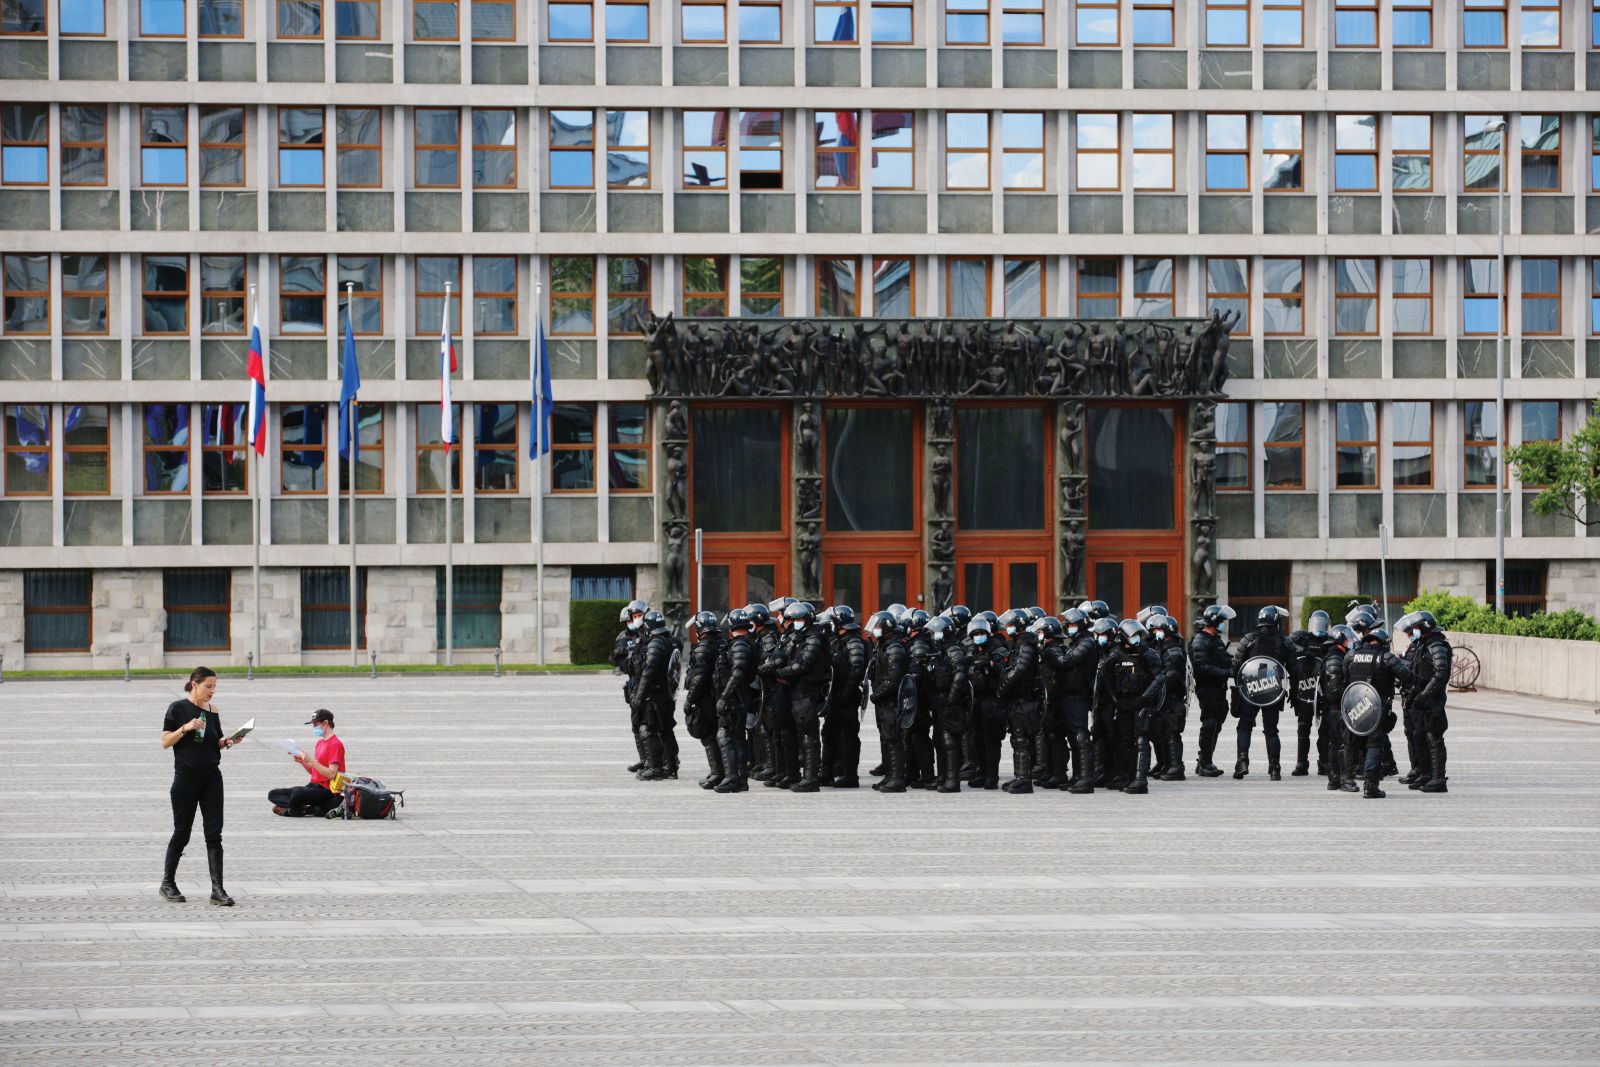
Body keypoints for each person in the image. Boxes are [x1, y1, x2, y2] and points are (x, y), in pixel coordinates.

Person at [159, 666, 240, 906]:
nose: (212, 691)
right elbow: (164, 741)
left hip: (212, 779)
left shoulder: (213, 711)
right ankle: (167, 883)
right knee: (182, 832)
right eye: (208, 686)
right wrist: (185, 728)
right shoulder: (178, 708)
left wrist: (228, 741)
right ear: (194, 684)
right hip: (186, 779)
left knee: (214, 835)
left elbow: (214, 742)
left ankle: (218, 889)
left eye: (215, 687)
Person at [1343, 626, 1414, 798]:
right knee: (1374, 745)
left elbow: (1345, 678)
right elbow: (1407, 676)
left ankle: (1346, 780)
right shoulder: (1386, 657)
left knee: (1349, 743)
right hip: (1377, 707)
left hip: (1354, 705)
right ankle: (1370, 786)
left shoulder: (1351, 655)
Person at [1230, 605, 1299, 780]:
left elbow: (1236, 667)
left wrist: (1241, 687)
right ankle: (1275, 768)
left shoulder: (1248, 639)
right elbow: (1295, 671)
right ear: (1276, 622)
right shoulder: (1285, 642)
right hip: (1273, 691)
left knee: (1245, 727)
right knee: (1271, 730)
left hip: (1250, 691)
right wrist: (1294, 691)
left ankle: (1242, 763)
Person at [775, 601, 829, 792]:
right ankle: (793, 774)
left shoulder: (814, 638)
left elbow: (803, 664)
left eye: (799, 619)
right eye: (793, 619)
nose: (795, 622)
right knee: (790, 732)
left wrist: (780, 672)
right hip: (794, 690)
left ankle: (810, 778)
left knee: (809, 734)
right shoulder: (797, 636)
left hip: (807, 690)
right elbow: (784, 656)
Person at [1398, 610, 1453, 794]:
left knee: (1434, 737)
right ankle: (1426, 774)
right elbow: (1418, 674)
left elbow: (1440, 673)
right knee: (1420, 736)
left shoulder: (1436, 645)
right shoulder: (1424, 644)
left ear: (1424, 627)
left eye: (1414, 628)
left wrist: (1426, 695)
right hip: (1422, 701)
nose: (1412, 632)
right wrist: (1414, 695)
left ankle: (1438, 779)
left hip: (1433, 701)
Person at [996, 608, 1042, 794]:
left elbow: (1018, 671)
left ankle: (1025, 780)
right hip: (1018, 700)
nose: (1007, 628)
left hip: (1024, 699)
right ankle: (1020, 776)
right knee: (1017, 739)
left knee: (1022, 740)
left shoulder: (1025, 645)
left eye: (1010, 625)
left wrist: (1003, 689)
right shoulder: (1019, 644)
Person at [269, 709, 346, 817]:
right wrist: (303, 762)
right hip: (312, 786)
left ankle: (289, 810)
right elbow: (315, 771)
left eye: (315, 724)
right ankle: (303, 809)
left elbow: (331, 774)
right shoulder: (320, 743)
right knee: (273, 794)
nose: (314, 727)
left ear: (325, 723)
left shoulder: (335, 744)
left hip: (327, 790)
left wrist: (311, 760)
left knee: (297, 794)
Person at [823, 606, 869, 788]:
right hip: (835, 696)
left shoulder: (853, 642)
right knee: (829, 733)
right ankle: (827, 772)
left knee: (849, 737)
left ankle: (850, 776)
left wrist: (846, 694)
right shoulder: (841, 640)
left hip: (846, 698)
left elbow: (857, 669)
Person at [712, 607, 756, 793]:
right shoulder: (743, 643)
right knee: (737, 737)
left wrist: (724, 697)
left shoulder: (739, 645)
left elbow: (737, 672)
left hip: (735, 698)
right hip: (738, 697)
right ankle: (739, 778)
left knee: (726, 735)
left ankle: (732, 778)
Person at [633, 609, 680, 781]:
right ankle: (671, 766)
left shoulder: (655, 643)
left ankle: (656, 767)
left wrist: (639, 696)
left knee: (650, 728)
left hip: (656, 694)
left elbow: (649, 672)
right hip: (666, 692)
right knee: (666, 729)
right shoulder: (670, 640)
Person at [1286, 610, 1334, 777]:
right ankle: (1301, 763)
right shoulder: (1302, 637)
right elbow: (1288, 644)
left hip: (1323, 691)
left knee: (1325, 730)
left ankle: (1324, 763)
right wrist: (1302, 651)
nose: (1318, 627)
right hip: (1304, 690)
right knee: (1303, 728)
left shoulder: (1330, 639)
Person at [1189, 604, 1235, 777]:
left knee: (1217, 721)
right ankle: (1204, 763)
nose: (1223, 624)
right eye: (1221, 621)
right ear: (1214, 622)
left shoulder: (1214, 638)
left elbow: (1222, 658)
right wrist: (1227, 673)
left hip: (1218, 688)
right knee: (1210, 723)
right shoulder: (1201, 640)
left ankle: (1205, 760)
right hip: (1207, 688)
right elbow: (1202, 668)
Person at [867, 610, 910, 792]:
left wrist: (877, 695)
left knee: (893, 739)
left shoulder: (895, 648)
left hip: (892, 701)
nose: (874, 630)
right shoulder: (884, 645)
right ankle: (889, 776)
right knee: (886, 739)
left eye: (877, 627)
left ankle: (897, 779)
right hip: (884, 702)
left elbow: (892, 680)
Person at [684, 611, 726, 790]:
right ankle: (720, 771)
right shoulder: (722, 643)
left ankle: (717, 773)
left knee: (708, 735)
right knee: (720, 734)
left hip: (707, 697)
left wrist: (690, 699)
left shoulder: (703, 648)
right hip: (720, 695)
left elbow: (699, 677)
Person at [1320, 624, 1361, 793]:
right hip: (1338, 709)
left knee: (1336, 743)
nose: (1351, 641)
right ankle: (1345, 779)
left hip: (1338, 708)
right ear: (1340, 640)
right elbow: (1335, 690)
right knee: (1345, 744)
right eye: (1348, 638)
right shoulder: (1335, 659)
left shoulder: (1338, 656)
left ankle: (1335, 779)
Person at [1148, 615, 1189, 781]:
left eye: (1158, 630)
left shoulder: (1173, 650)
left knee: (1172, 732)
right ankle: (1166, 763)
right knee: (1162, 731)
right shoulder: (1164, 646)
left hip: (1172, 697)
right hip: (1165, 698)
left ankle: (1176, 767)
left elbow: (1170, 675)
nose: (1155, 632)